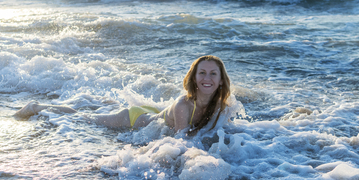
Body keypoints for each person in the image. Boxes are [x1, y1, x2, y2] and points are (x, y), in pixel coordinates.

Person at [14, 55, 231, 135]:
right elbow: (181, 142)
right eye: (202, 72)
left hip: (155, 113)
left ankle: (102, 104)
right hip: (136, 118)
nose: (207, 78)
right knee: (83, 119)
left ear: (221, 80)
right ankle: (38, 107)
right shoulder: (184, 105)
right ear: (193, 78)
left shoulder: (222, 104)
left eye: (213, 74)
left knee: (89, 115)